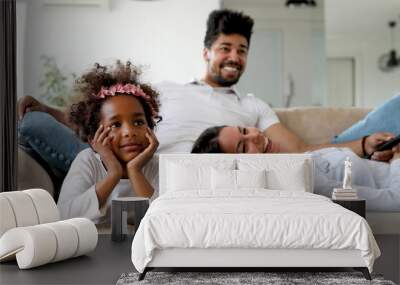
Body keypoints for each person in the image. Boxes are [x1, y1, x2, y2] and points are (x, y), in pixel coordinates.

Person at [17, 9, 394, 187]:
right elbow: (104, 118)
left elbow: (300, 149)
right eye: (226, 47)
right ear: (206, 52)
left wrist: (359, 144)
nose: (234, 57)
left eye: (242, 50)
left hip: (188, 186)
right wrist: (50, 111)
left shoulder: (251, 106)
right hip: (127, 174)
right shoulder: (164, 91)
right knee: (33, 123)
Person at [191, 125, 400, 211]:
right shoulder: (308, 182)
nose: (255, 136)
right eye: (244, 146)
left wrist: (384, 160)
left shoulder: (299, 161)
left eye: (244, 130)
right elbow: (394, 200)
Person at [57, 61, 160, 223]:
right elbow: (64, 216)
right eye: (116, 125)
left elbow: (165, 219)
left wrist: (135, 171)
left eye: (138, 122)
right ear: (93, 138)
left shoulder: (156, 166)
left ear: (150, 128)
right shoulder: (88, 161)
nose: (129, 132)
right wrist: (113, 174)